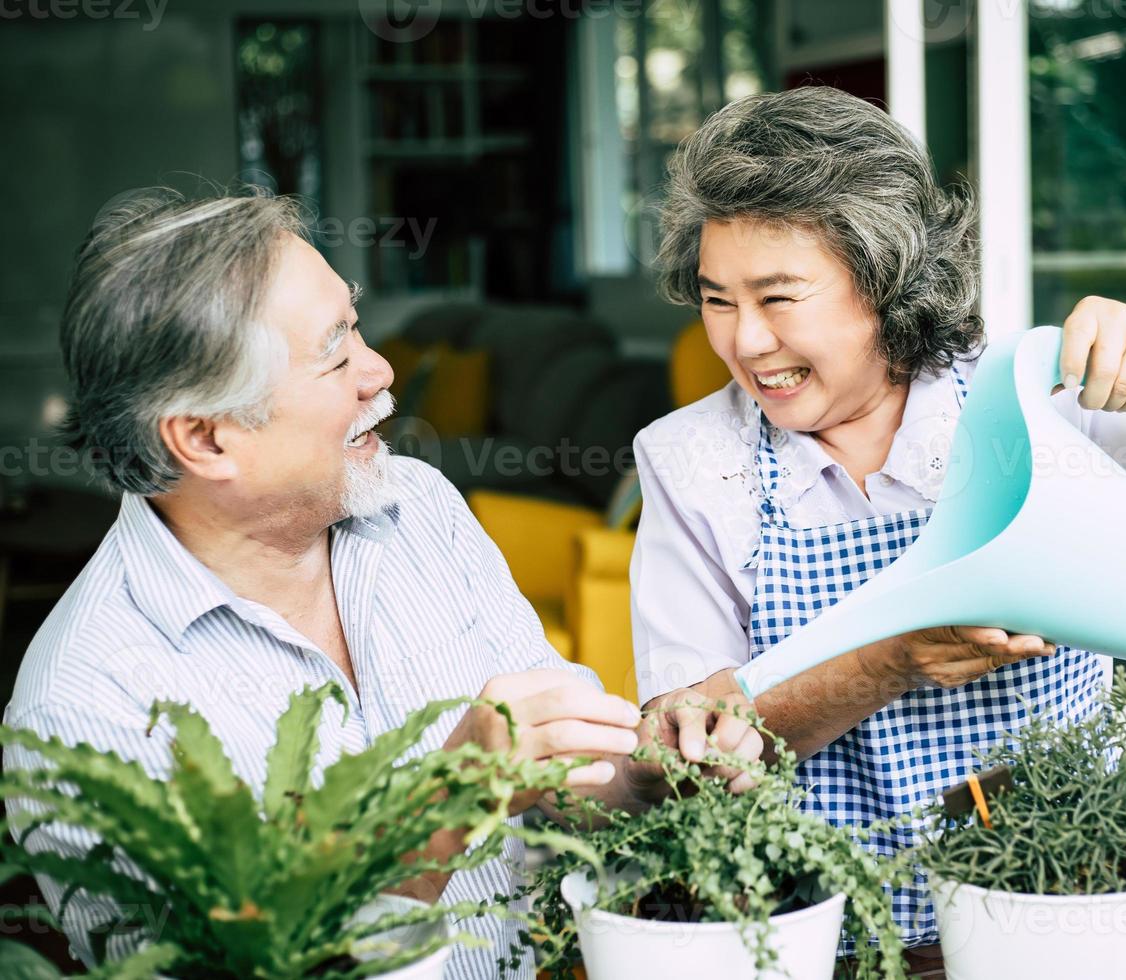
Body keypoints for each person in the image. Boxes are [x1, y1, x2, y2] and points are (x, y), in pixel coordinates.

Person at [2, 187, 760, 978]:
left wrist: (659, 761)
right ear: (205, 437)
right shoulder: (81, 714)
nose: (381, 370)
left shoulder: (418, 505)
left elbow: (569, 781)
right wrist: (442, 809)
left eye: (355, 322)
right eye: (336, 355)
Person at [631, 86, 1126, 945]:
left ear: (884, 279)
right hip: (822, 931)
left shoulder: (1030, 405)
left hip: (1053, 899)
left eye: (778, 297)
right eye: (717, 299)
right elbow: (684, 755)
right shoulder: (692, 461)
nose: (744, 342)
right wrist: (891, 660)